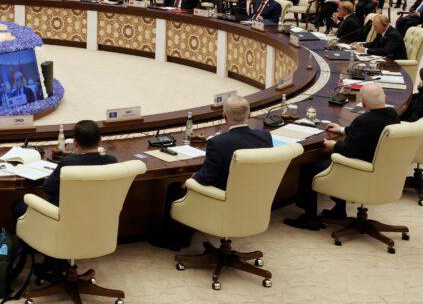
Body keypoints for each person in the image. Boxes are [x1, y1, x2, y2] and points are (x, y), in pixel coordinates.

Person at [151, 96, 271, 250]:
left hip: (223, 199)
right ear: (249, 115)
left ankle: (173, 240)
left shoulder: (217, 143)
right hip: (255, 198)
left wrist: (191, 179)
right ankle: (185, 235)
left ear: (224, 116)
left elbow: (207, 178)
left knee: (177, 187)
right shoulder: (265, 137)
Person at [284, 83, 397, 229]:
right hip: (381, 168)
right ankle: (339, 209)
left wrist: (334, 146)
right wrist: (342, 130)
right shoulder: (392, 115)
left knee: (311, 165)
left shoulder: (363, 121)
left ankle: (309, 217)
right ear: (385, 98)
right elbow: (369, 132)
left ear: (362, 102)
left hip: (361, 170)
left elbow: (349, 151)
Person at [12, 120, 116, 219]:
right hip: (99, 217)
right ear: (100, 141)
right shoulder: (112, 162)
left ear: (75, 143)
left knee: (18, 206)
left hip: (64, 218)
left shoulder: (67, 163)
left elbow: (47, 187)